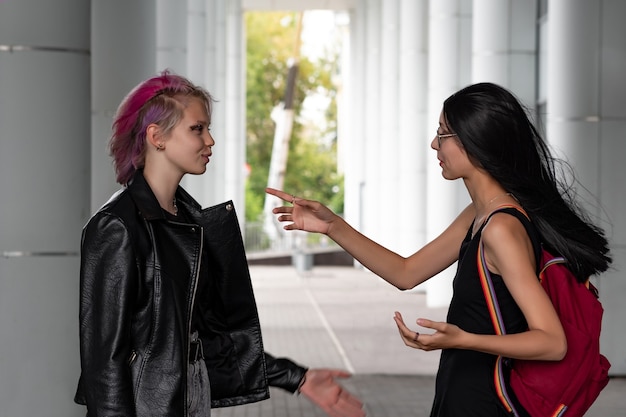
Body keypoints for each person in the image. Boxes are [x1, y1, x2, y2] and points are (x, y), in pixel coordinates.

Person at [266, 82, 612, 416]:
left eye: (443, 134)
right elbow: (406, 273)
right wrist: (333, 226)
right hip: (461, 391)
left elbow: (551, 342)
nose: (434, 144)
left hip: (486, 401)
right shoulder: (480, 215)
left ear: (475, 142)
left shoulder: (502, 228)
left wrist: (463, 339)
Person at [74, 70, 365, 417]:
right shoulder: (117, 226)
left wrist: (297, 378)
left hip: (190, 395)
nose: (209, 140)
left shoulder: (188, 222)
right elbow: (105, 361)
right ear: (157, 137)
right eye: (197, 129)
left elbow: (206, 337)